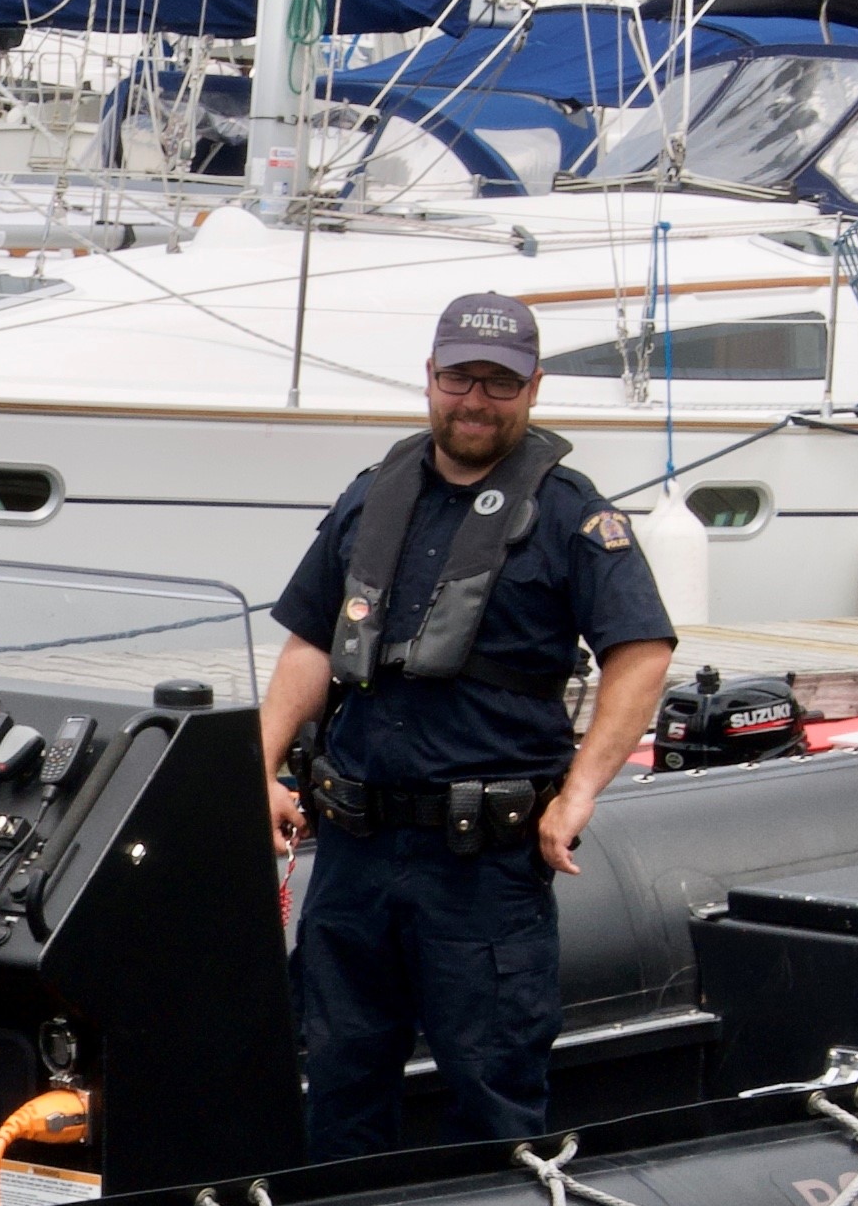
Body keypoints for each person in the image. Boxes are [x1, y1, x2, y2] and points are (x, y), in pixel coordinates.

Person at [256, 292, 679, 1159]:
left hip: (481, 868)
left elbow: (641, 654)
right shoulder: (372, 497)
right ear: (431, 379)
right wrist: (256, 768)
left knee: (492, 1092)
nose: (475, 399)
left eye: (499, 382)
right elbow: (309, 642)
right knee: (337, 1080)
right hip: (354, 856)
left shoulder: (570, 513)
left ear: (532, 389)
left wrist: (580, 796)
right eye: (460, 378)